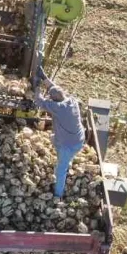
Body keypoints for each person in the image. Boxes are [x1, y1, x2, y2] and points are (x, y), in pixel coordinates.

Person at [33, 67, 85, 198]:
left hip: (69, 146)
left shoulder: (58, 108)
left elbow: (38, 101)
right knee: (53, 138)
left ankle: (57, 195)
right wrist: (44, 78)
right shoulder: (71, 101)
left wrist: (37, 86)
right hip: (79, 139)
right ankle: (67, 159)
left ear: (54, 101)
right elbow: (56, 89)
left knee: (61, 171)